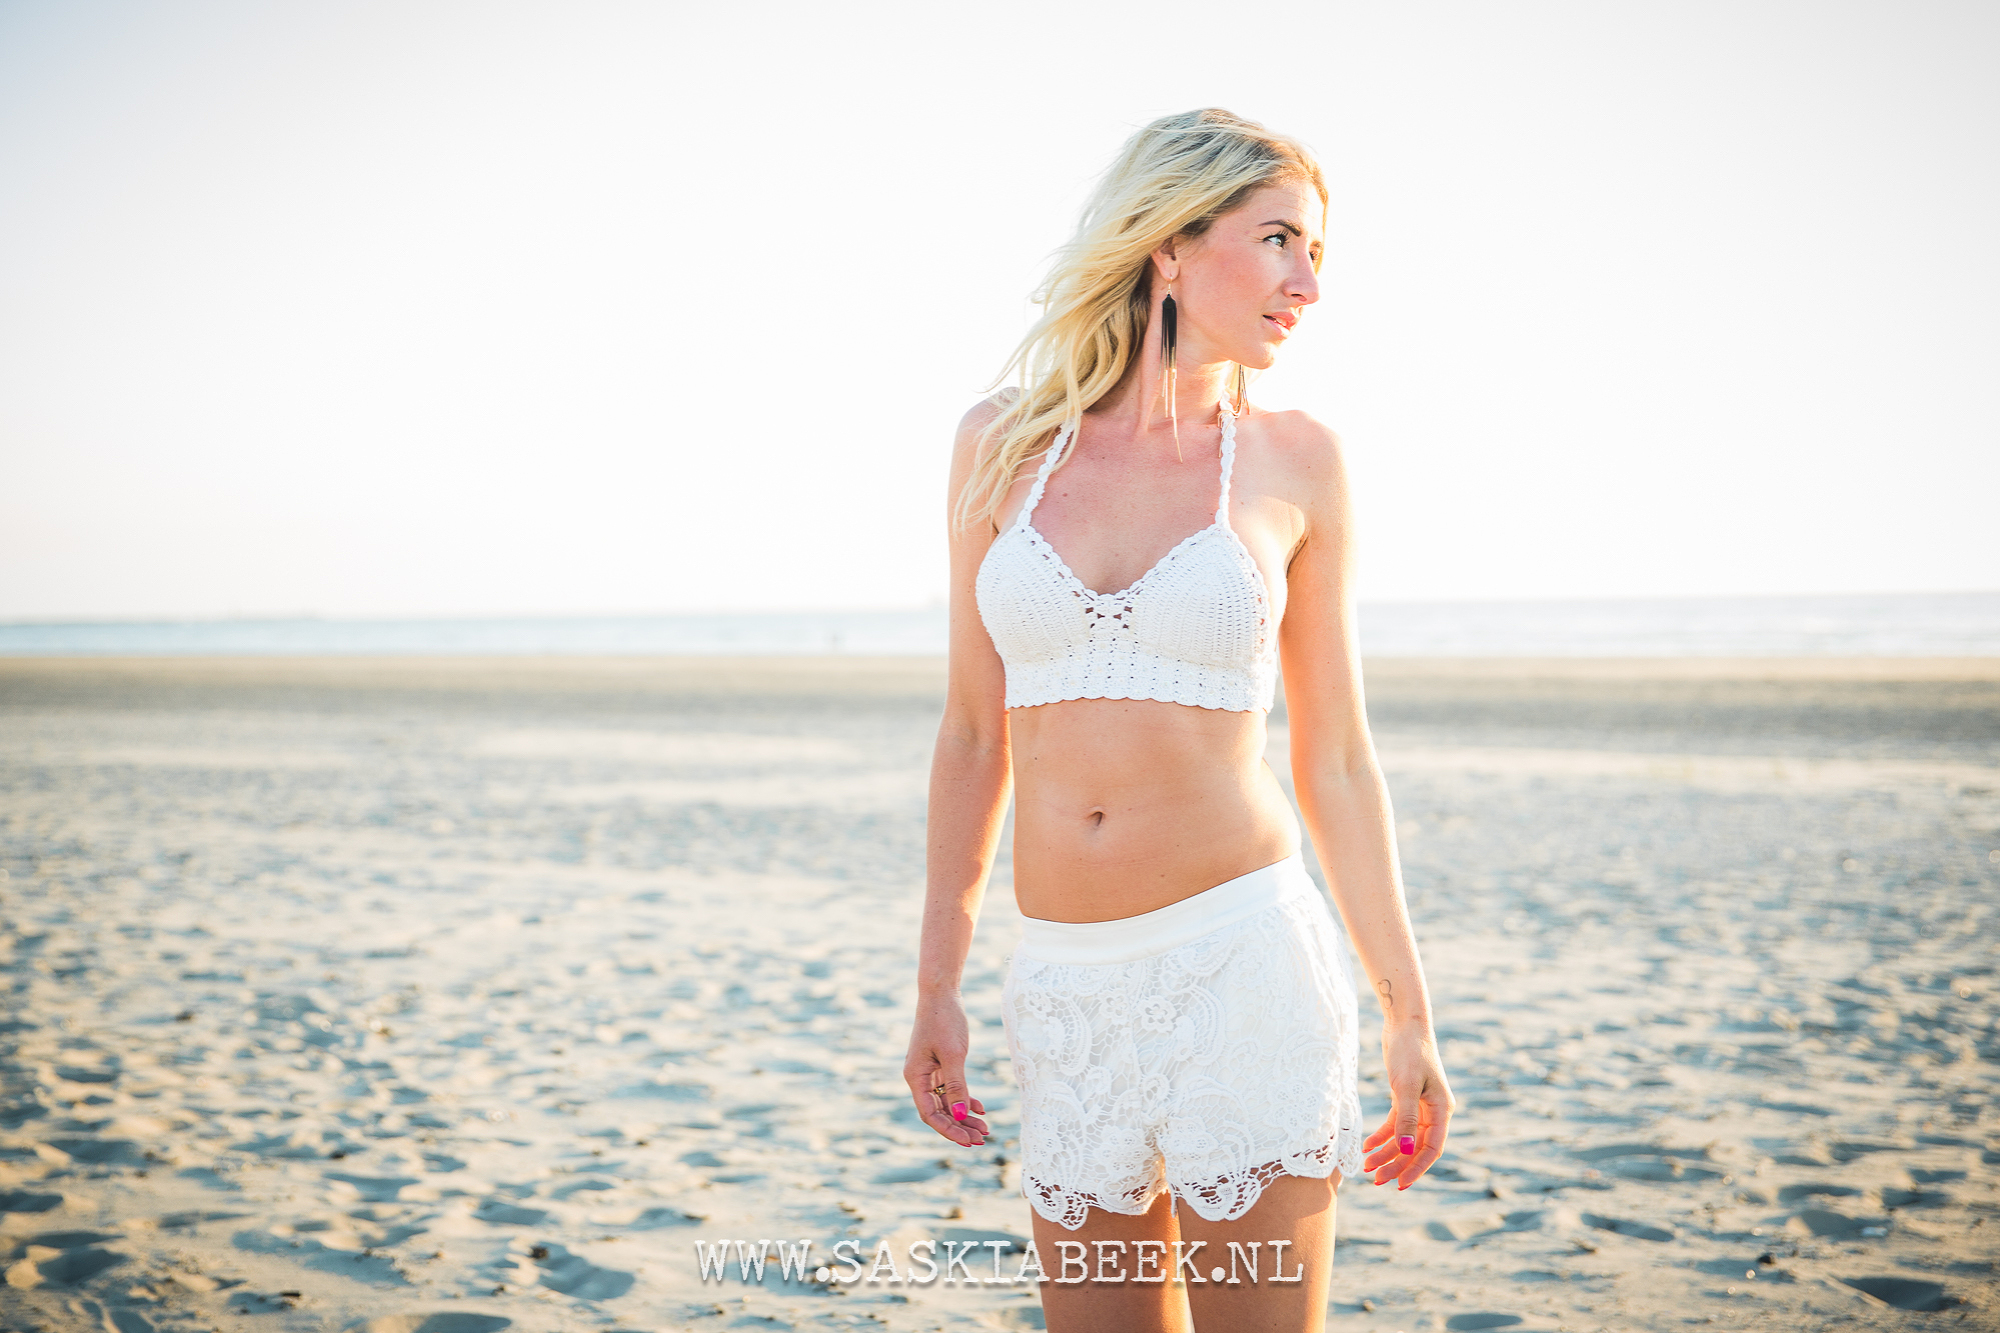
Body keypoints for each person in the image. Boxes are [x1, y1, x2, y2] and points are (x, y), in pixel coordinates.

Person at [904, 108, 1454, 1333]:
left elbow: (1338, 759)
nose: (1306, 282)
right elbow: (969, 735)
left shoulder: (1294, 459)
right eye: (1276, 242)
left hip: (1238, 963)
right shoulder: (997, 446)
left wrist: (1405, 1011)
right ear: (1168, 243)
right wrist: (936, 983)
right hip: (1062, 984)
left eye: (1315, 253)